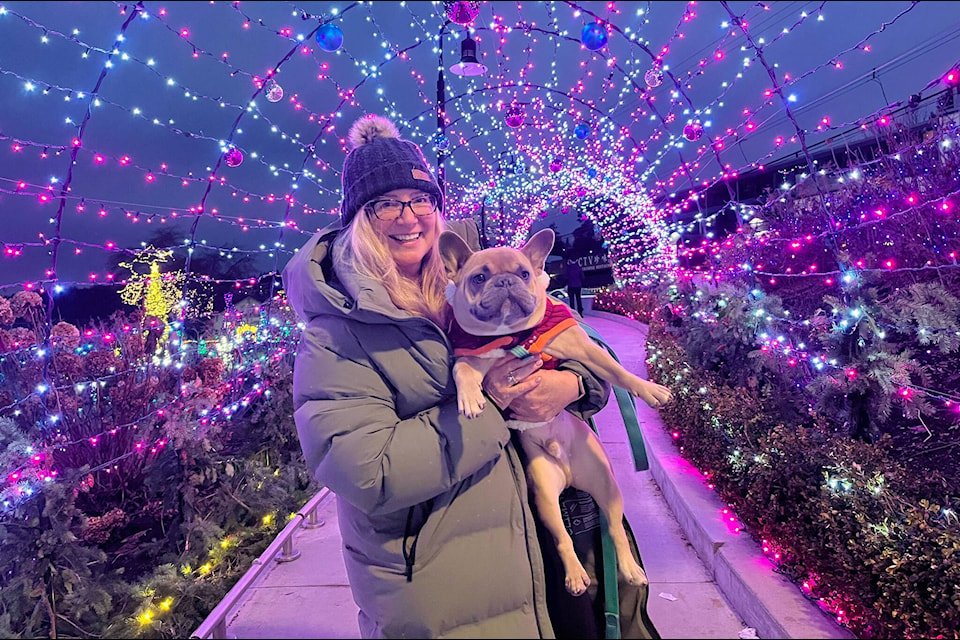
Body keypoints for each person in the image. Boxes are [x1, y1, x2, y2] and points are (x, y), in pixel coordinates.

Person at [283, 114, 658, 639]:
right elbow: (364, 469)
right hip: (446, 569)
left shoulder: (473, 278)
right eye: (385, 203)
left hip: (543, 526)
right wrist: (497, 407)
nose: (407, 216)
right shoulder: (338, 329)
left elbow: (566, 340)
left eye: (420, 200)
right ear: (358, 220)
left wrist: (572, 384)